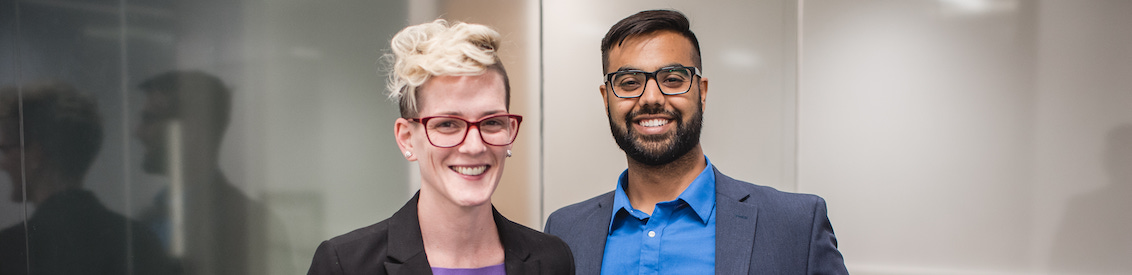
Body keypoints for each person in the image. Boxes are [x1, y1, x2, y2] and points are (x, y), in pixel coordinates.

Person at [544, 10, 848, 274]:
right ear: (606, 98)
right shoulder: (564, 232)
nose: (651, 98)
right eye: (629, 83)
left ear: (701, 92)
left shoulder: (795, 226)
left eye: (673, 79)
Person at [307, 19, 574, 275]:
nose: (474, 146)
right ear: (406, 138)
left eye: (491, 122)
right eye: (447, 124)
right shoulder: (346, 265)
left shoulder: (552, 259)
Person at [0, 81, 177, 274]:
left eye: (5, 149)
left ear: (35, 154)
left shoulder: (12, 251)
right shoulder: (140, 241)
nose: (2, 163)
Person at [134, 71, 291, 274]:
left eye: (150, 118)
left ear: (190, 131)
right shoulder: (148, 218)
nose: (137, 132)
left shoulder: (250, 224)